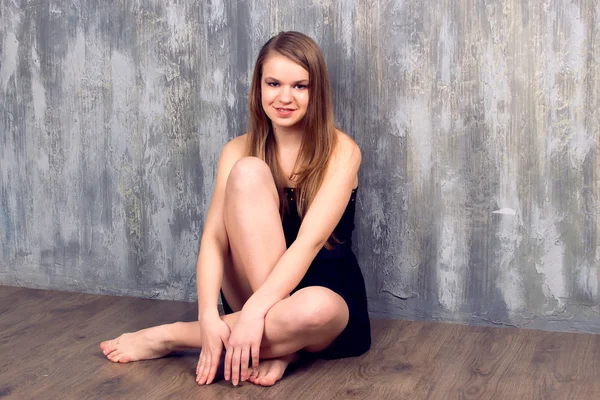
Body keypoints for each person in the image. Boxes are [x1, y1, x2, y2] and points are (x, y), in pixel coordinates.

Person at [100, 31, 371, 387]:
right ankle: (279, 347)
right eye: (274, 83)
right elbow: (214, 241)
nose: (285, 97)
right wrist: (208, 313)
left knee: (317, 307)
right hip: (249, 288)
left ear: (316, 91)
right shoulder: (237, 150)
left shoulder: (342, 150)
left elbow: (307, 245)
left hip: (322, 298)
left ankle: (172, 336)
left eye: (300, 86)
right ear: (258, 87)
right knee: (247, 171)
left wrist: (256, 312)